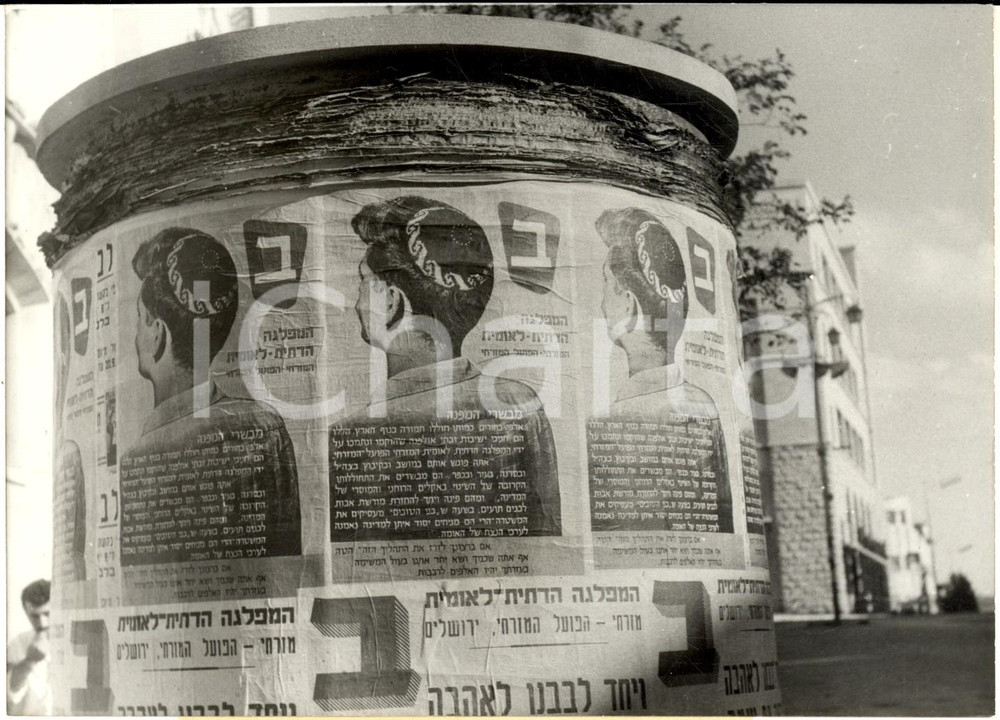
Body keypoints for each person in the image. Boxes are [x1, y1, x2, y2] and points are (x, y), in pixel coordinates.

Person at [336, 196, 560, 536]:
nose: (356, 303)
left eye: (362, 282)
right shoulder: (519, 402)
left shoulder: (352, 434)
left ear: (392, 301)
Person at [121, 227, 301, 563]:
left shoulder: (138, 460)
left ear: (158, 334)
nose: (135, 334)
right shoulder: (267, 426)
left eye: (140, 320)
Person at [595, 207, 732, 532]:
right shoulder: (703, 404)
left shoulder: (616, 418)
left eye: (605, 284)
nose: (601, 304)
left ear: (629, 304)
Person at [7, 580, 51, 715]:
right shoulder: (18, 643)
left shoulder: (79, 638)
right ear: (26, 613)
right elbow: (11, 696)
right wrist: (29, 661)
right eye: (35, 616)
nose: (42, 623)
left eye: (47, 614)